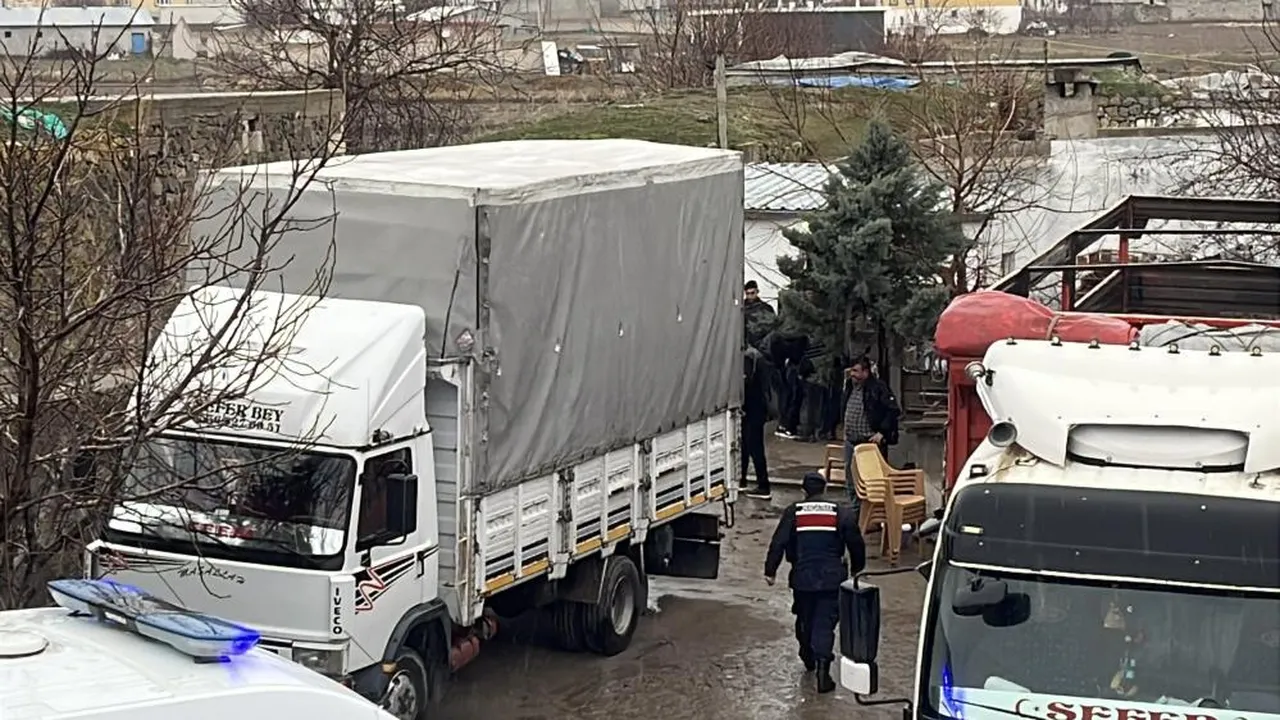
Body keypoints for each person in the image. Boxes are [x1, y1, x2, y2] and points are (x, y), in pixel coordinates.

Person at [765, 472, 866, 693]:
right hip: (832, 579)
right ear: (825, 489)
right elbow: (856, 542)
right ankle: (822, 669)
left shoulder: (794, 512)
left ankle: (807, 655)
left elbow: (779, 542)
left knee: (804, 619)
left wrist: (770, 570)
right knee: (825, 623)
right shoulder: (841, 513)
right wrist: (858, 567)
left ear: (804, 491)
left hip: (802, 578)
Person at [842, 356, 901, 512]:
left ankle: (874, 513)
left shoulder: (878, 388)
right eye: (851, 371)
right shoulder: (849, 386)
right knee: (850, 479)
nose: (852, 374)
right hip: (850, 441)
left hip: (869, 443)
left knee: (873, 482)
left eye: (856, 371)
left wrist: (882, 432)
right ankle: (856, 511)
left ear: (866, 372)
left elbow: (893, 410)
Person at [742, 345, 772, 500]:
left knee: (752, 446)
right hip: (756, 407)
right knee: (746, 446)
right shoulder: (755, 356)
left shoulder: (749, 357)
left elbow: (746, 382)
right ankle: (742, 480)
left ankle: (762, 484)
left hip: (752, 408)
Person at [743, 280, 777, 351]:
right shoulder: (741, 309)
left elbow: (773, 327)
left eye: (752, 293)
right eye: (747, 293)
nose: (750, 296)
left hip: (763, 346)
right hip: (745, 346)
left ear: (757, 292)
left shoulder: (766, 308)